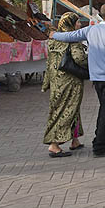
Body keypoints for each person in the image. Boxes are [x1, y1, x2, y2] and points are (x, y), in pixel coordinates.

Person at [50, 3, 105, 157]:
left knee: (104, 108)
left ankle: (99, 140)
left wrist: (54, 35)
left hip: (96, 78)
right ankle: (100, 145)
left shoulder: (91, 29)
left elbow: (70, 36)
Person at [42, 12, 87, 158]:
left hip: (56, 81)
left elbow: (49, 63)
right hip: (70, 81)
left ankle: (75, 140)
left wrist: (46, 82)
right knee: (65, 110)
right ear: (71, 24)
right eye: (78, 22)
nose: (80, 25)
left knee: (69, 108)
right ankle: (54, 145)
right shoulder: (73, 40)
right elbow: (79, 59)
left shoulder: (53, 40)